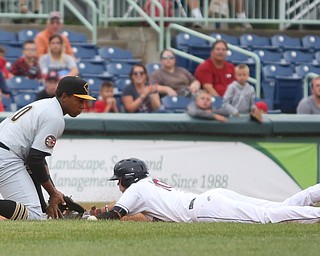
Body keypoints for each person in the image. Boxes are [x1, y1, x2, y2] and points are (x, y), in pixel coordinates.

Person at [88, 157, 320, 224]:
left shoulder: (135, 189)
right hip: (212, 199)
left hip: (203, 210)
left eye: (118, 180)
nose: (118, 185)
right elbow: (142, 217)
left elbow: (116, 216)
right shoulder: (148, 185)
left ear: (127, 179)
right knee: (278, 208)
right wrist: (106, 210)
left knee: (267, 218)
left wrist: (92, 218)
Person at [0, 76, 96, 220]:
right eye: (79, 100)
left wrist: (53, 192)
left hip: (8, 152)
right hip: (6, 156)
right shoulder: (55, 117)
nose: (83, 105)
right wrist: (53, 193)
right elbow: (35, 159)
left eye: (85, 101)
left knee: (40, 212)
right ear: (64, 97)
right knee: (33, 216)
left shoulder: (46, 105)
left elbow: (37, 161)